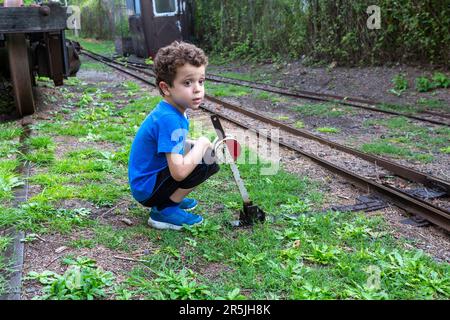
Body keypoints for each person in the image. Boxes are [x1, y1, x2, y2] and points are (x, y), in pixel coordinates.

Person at [128, 41, 220, 230]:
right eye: (188, 83)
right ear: (166, 88)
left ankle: (171, 198)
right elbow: (178, 173)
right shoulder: (169, 118)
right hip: (147, 187)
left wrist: (193, 144)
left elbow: (168, 143)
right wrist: (202, 143)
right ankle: (165, 209)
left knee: (203, 154)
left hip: (147, 181)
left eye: (201, 81)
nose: (197, 89)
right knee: (206, 161)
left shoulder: (171, 111)